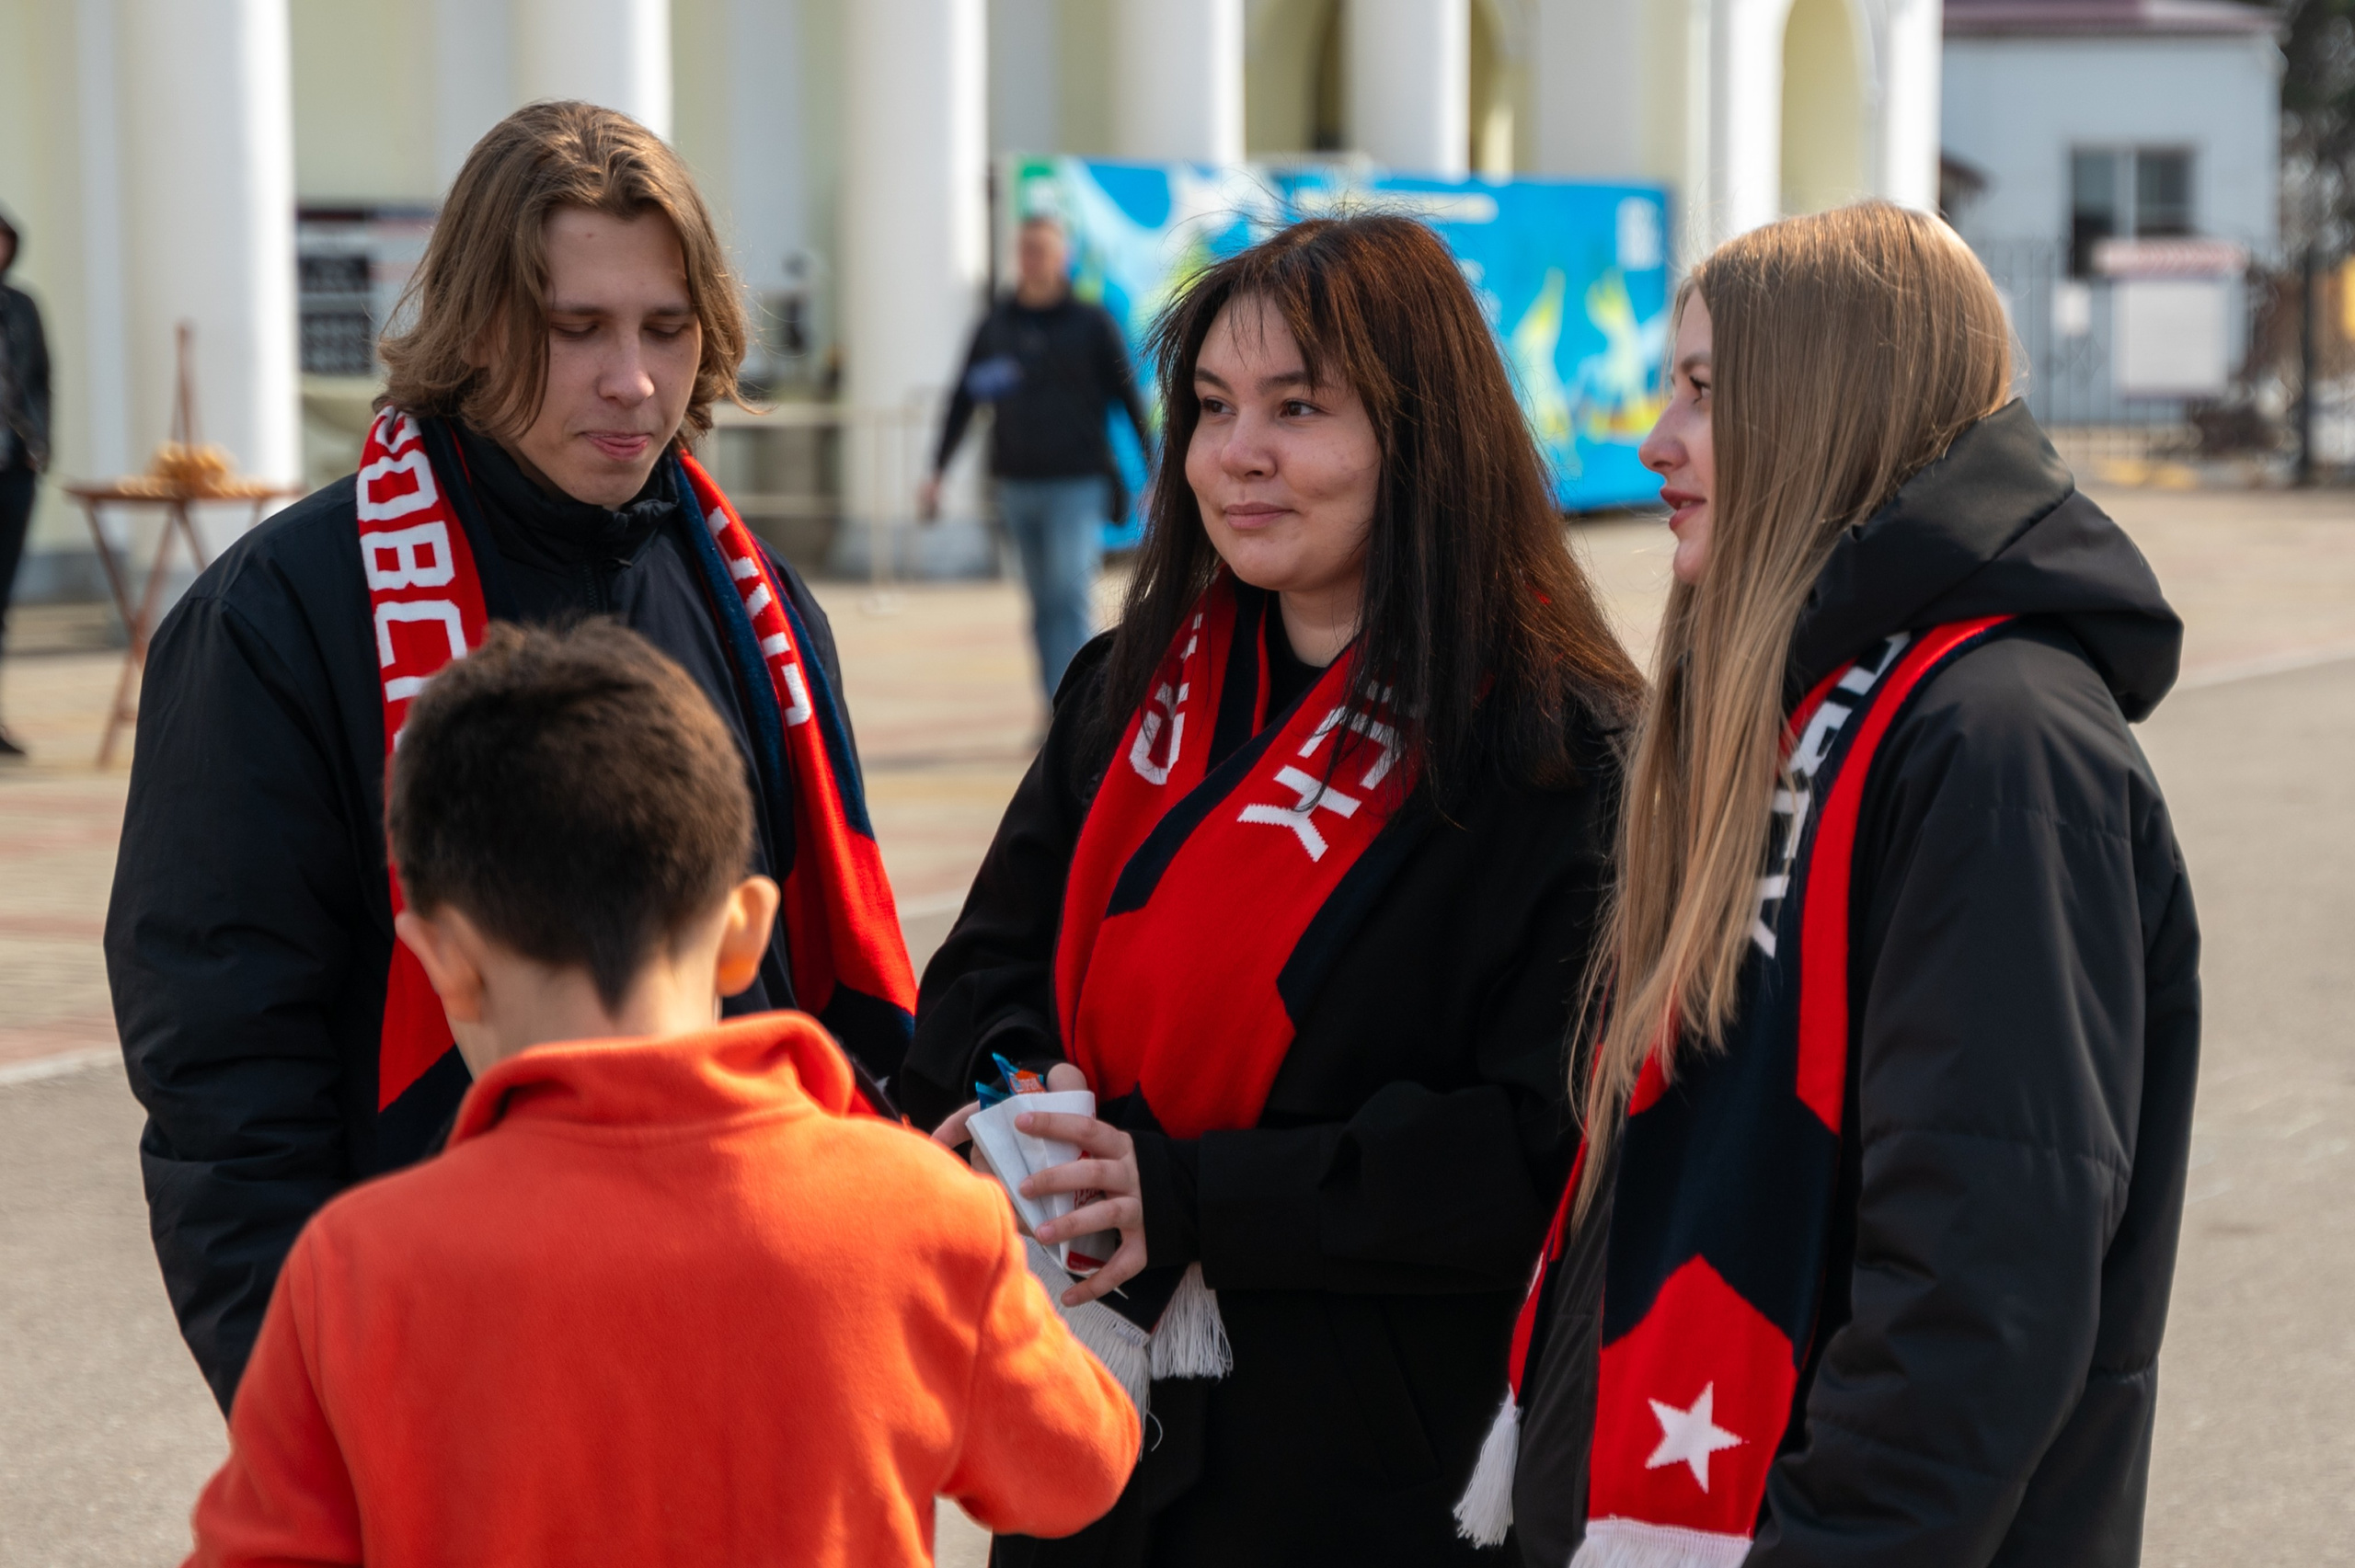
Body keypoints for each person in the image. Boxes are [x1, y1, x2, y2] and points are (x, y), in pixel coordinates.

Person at [105, 101, 915, 1415]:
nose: (633, 380)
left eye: (666, 326)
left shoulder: (758, 601)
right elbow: (224, 1074)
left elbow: (809, 996)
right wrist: (308, 1416)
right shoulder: (279, 618)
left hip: (753, 1348)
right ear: (477, 328)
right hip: (454, 1374)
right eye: (575, 328)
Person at [903, 215, 1645, 1566]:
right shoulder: (1128, 689)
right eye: (1211, 407)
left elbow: (1536, 1154)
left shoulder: (1551, 748)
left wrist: (1190, 1196)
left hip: (1355, 1474)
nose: (1237, 454)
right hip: (1088, 1433)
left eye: (1298, 409)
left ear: (1421, 437)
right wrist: (1019, 1103)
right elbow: (975, 977)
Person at [1480, 203, 2200, 1568]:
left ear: (1827, 404)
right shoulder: (1811, 711)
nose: (1657, 441)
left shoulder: (1999, 743)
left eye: (1703, 389)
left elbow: (1978, 1287)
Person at [181, 620, 1139, 1566]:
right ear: (744, 929)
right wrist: (973, 1248)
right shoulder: (923, 1215)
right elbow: (1077, 1472)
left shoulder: (356, 1264)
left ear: (444, 962)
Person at [921, 213, 1153, 697]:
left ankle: (1084, 709)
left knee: (1069, 596)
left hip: (1077, 484)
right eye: (1027, 250)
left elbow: (1130, 399)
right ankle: (1055, 708)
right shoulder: (997, 327)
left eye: (1044, 250)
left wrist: (1154, 472)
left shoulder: (1092, 323)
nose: (1035, 260)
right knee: (1042, 604)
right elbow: (964, 400)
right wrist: (937, 471)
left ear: (1063, 257)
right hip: (1016, 485)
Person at [0, 205, 51, 760]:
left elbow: (42, 379)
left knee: (2, 603)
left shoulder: (22, 307)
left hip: (15, 469)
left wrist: (42, 446)